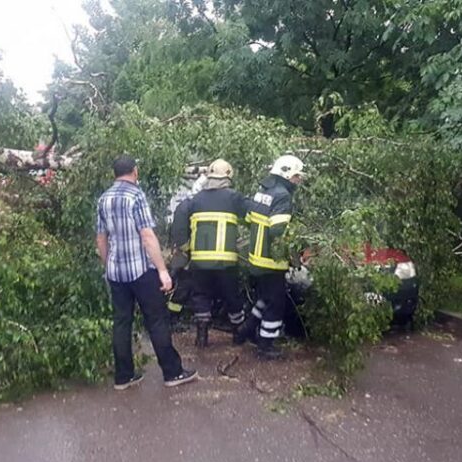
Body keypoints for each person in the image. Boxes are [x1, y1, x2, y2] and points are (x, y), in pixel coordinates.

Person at [95, 155, 198, 390]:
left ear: (115, 173)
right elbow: (147, 235)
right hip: (141, 271)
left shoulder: (104, 199)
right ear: (135, 171)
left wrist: (107, 265)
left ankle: (123, 376)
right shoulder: (136, 196)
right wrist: (163, 270)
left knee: (122, 322)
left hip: (116, 272)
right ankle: (173, 373)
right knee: (157, 320)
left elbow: (101, 238)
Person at [171, 159, 249, 347]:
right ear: (228, 177)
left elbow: (179, 215)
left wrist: (185, 247)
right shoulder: (234, 198)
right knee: (232, 296)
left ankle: (202, 336)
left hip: (200, 260)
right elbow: (254, 216)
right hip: (226, 262)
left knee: (201, 295)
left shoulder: (195, 200)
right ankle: (238, 335)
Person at [235, 154, 305, 360]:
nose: (298, 181)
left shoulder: (262, 192)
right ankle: (266, 345)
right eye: (296, 176)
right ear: (287, 173)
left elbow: (248, 219)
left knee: (265, 297)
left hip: (256, 258)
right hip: (271, 261)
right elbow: (278, 230)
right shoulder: (283, 195)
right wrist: (298, 236)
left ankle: (247, 330)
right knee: (276, 303)